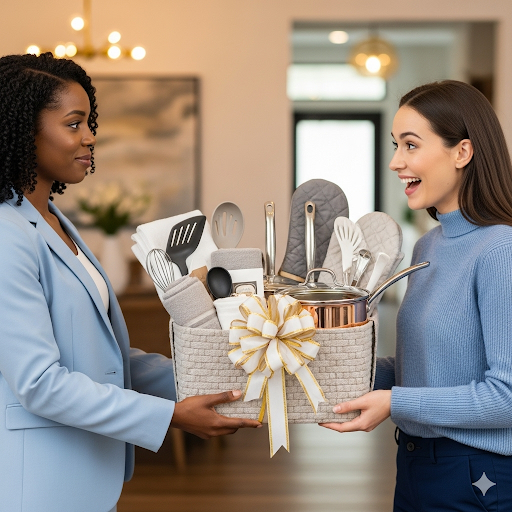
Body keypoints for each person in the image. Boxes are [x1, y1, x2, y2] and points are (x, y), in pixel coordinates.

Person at [0, 52, 261, 512]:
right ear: (24, 132)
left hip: (82, 475)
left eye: (89, 122)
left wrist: (209, 380)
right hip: (40, 481)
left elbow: (105, 357)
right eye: (74, 124)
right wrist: (171, 417)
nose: (90, 137)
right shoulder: (7, 234)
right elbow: (39, 382)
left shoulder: (51, 219)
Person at [322, 80, 512, 510]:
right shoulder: (428, 245)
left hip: (477, 475)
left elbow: (508, 396)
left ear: (462, 152)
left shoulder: (501, 250)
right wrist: (328, 370)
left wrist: (394, 402)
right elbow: (423, 365)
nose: (395, 162)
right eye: (395, 145)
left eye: (410, 145)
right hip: (414, 461)